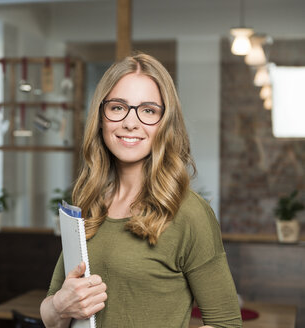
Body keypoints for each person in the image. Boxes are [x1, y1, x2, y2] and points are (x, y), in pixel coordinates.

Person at [40, 52, 242, 327]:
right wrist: (61, 305)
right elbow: (52, 312)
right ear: (101, 117)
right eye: (118, 107)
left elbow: (226, 323)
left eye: (148, 110)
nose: (130, 122)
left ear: (164, 123)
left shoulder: (188, 212)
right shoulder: (88, 204)